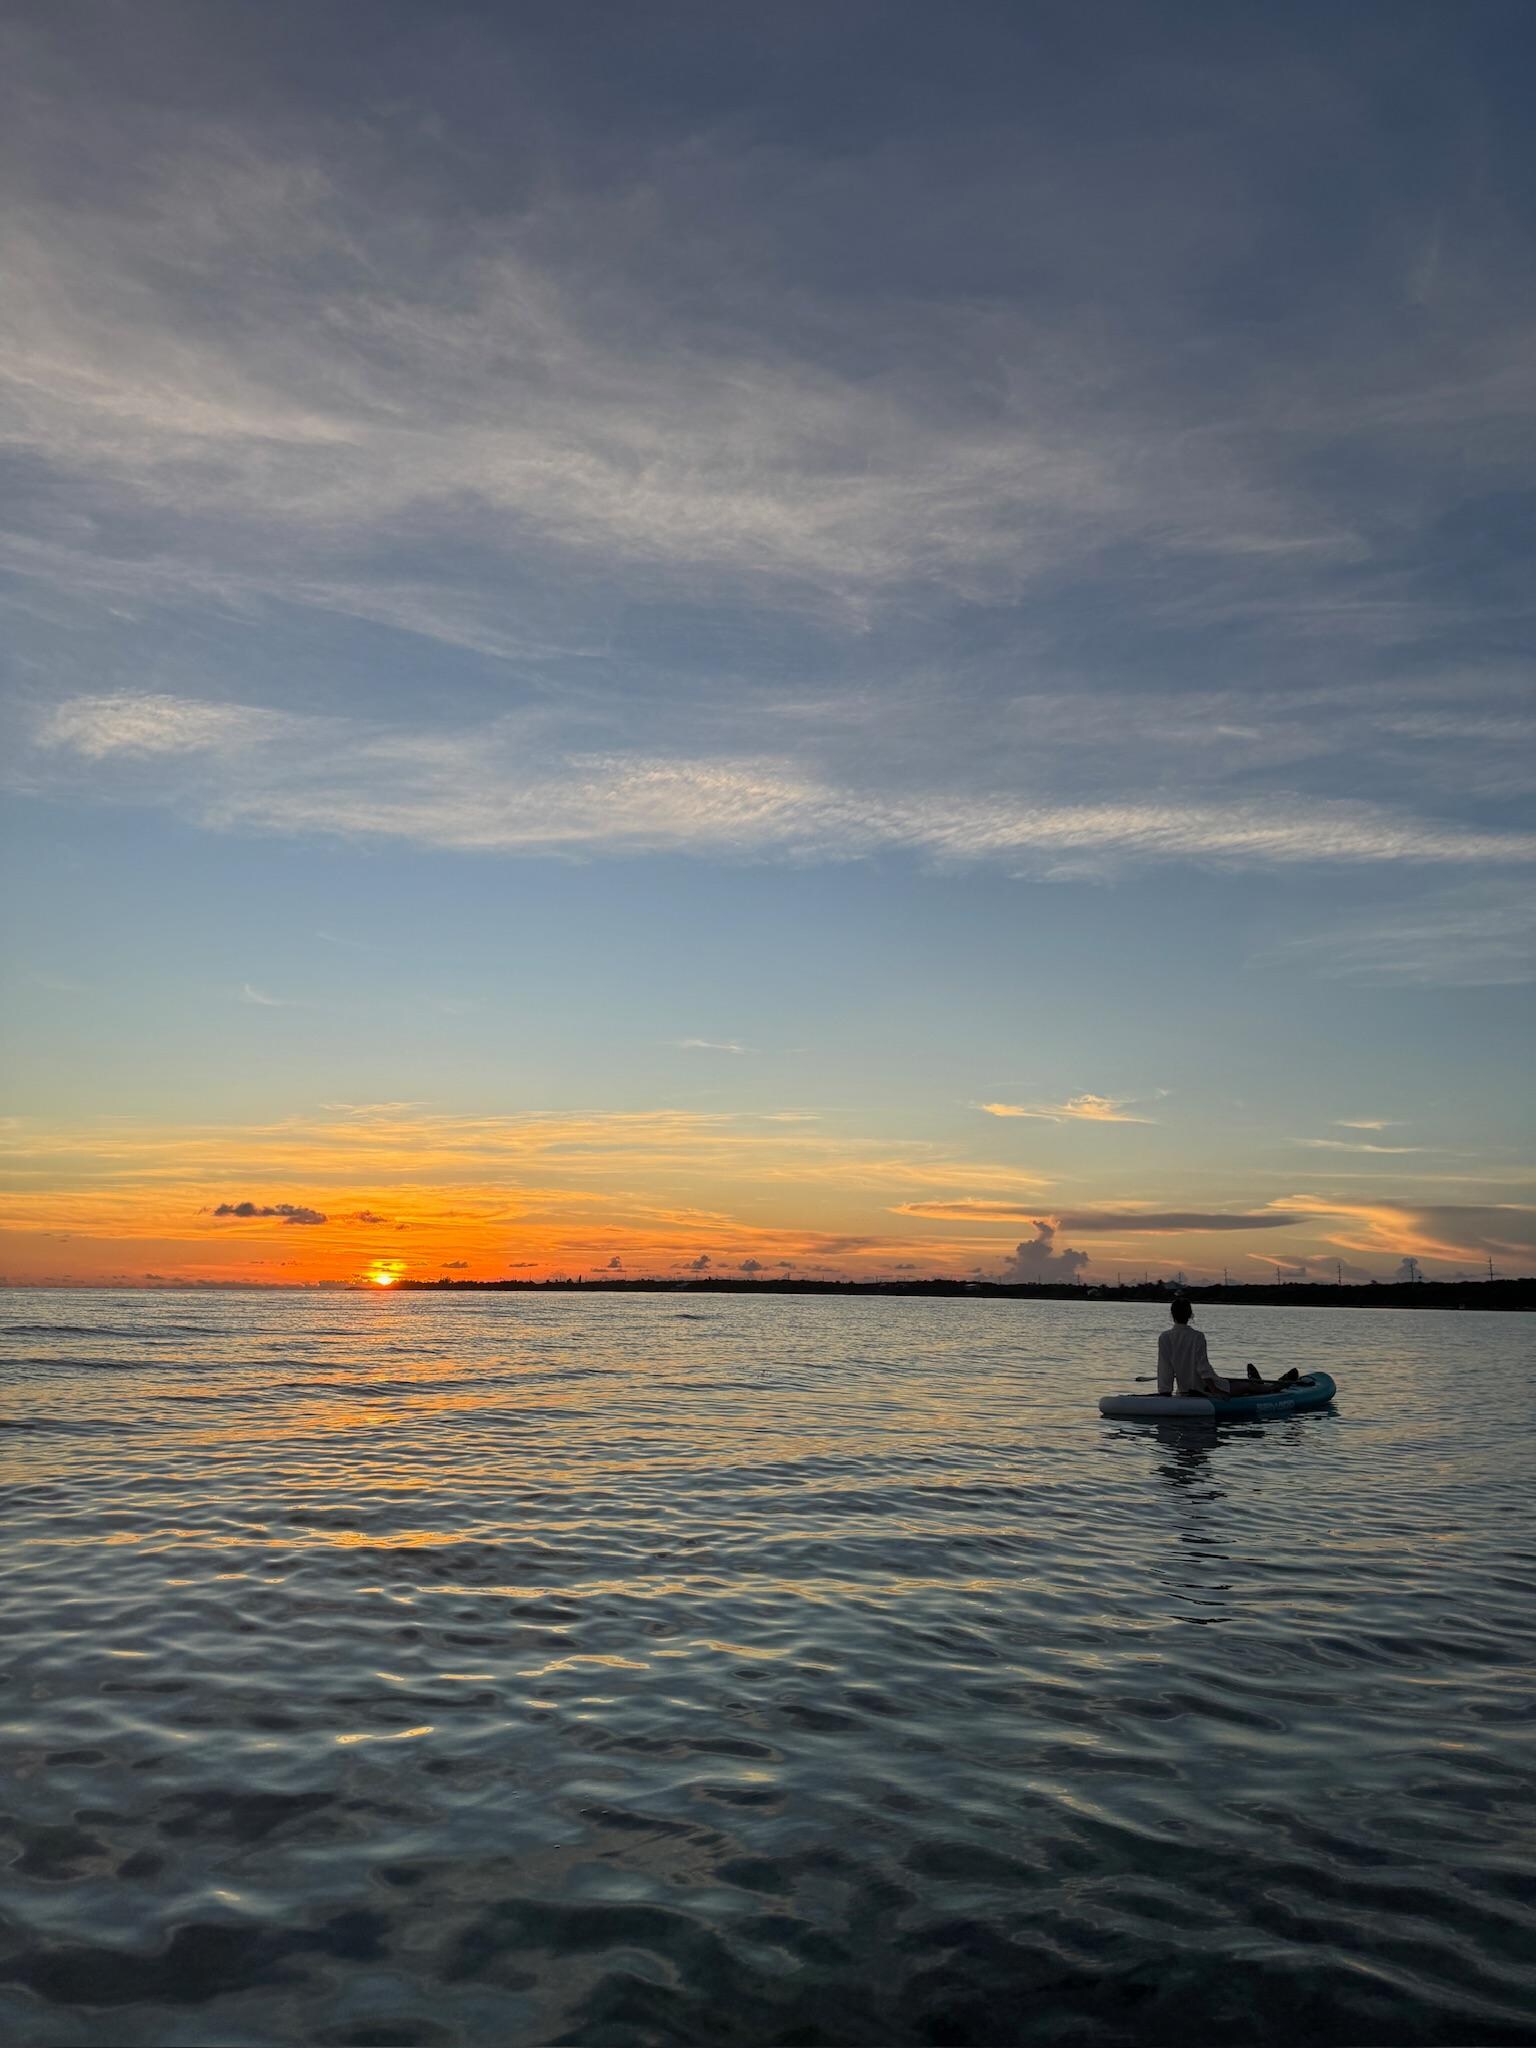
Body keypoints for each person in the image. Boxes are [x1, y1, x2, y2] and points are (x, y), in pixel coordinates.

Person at [1157, 1296, 1299, 1398]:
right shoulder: (1197, 1336)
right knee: (1248, 1387)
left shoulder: (1164, 1337)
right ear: (1190, 1315)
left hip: (1186, 1390)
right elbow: (1202, 1367)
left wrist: (1164, 1392)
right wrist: (1215, 1391)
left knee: (1238, 1383)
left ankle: (1259, 1382)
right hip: (1206, 1389)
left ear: (1172, 1315)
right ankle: (1277, 1385)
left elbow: (1165, 1368)